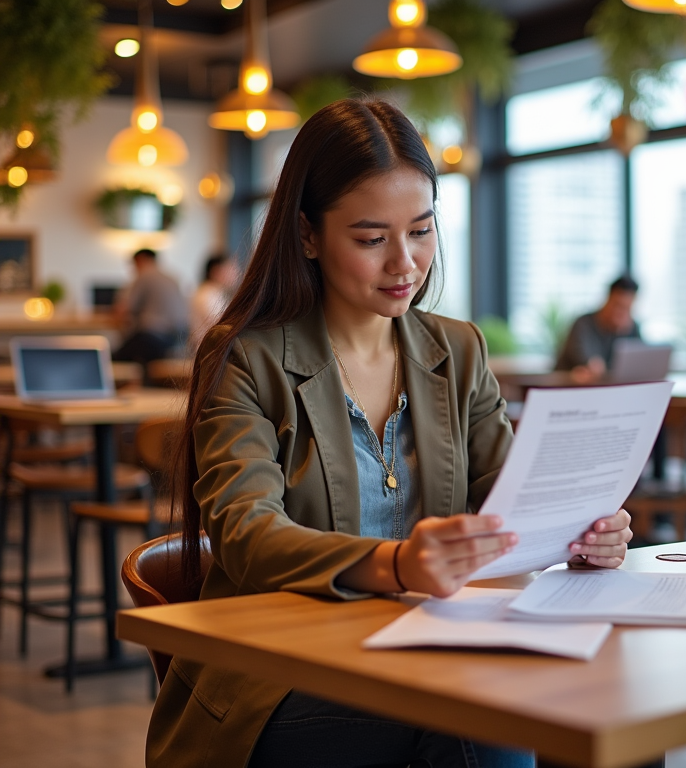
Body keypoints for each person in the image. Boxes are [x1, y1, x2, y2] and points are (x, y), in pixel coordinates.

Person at [149, 99, 634, 768]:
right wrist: (396, 565)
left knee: (603, 712)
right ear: (309, 235)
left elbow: (512, 500)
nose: (405, 263)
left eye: (423, 231)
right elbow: (246, 535)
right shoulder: (246, 357)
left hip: (435, 649)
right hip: (282, 675)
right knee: (483, 726)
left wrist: (580, 529)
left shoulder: (457, 351)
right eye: (372, 238)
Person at [555, 275, 641, 382]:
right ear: (607, 299)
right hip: (568, 389)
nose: (620, 312)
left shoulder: (631, 328)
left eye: (627, 308)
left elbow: (637, 364)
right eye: (618, 305)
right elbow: (592, 365)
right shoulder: (583, 324)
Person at [112, 248, 189, 365]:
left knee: (114, 358)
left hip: (154, 336)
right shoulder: (172, 278)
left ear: (141, 260)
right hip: (179, 339)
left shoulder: (144, 275)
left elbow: (124, 308)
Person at [189, 254, 237, 348]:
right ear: (216, 271)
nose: (235, 273)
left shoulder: (213, 292)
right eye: (230, 268)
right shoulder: (207, 295)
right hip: (209, 352)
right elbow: (222, 326)